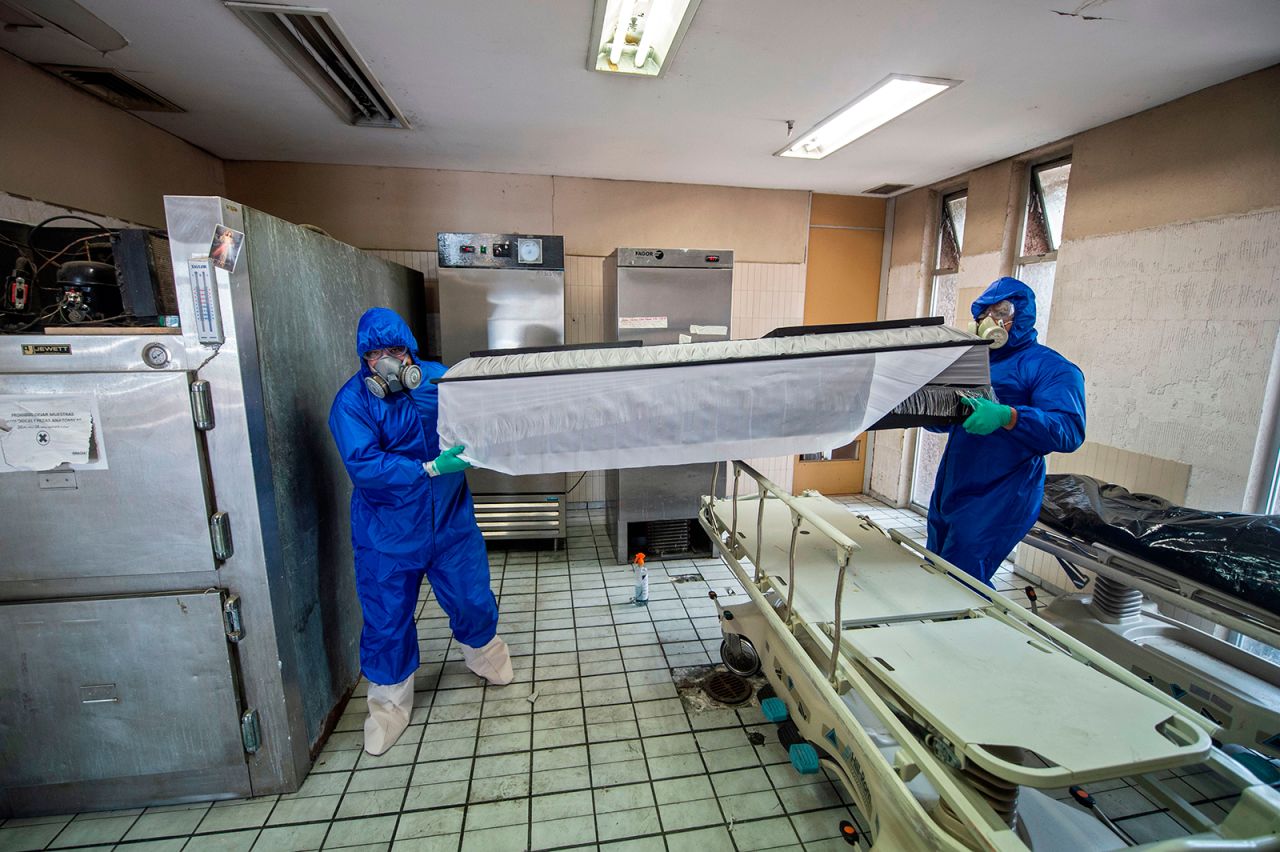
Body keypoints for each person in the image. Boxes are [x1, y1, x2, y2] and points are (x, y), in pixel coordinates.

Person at [328, 307, 513, 756]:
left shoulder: (437, 379)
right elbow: (363, 464)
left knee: (471, 595)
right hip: (387, 532)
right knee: (387, 615)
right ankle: (389, 706)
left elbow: (477, 418)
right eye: (374, 354)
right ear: (363, 359)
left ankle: (485, 656)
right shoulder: (352, 402)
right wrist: (428, 467)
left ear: (410, 351)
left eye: (394, 351)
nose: (386, 362)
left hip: (449, 520)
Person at [927, 277, 1086, 585]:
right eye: (984, 314)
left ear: (1020, 317)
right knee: (937, 570)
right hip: (954, 483)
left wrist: (1009, 416)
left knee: (963, 581)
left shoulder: (1050, 367)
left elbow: (1068, 430)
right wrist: (930, 409)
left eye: (1001, 313)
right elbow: (951, 418)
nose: (990, 322)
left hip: (1002, 491)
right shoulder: (976, 361)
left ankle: (969, 632)